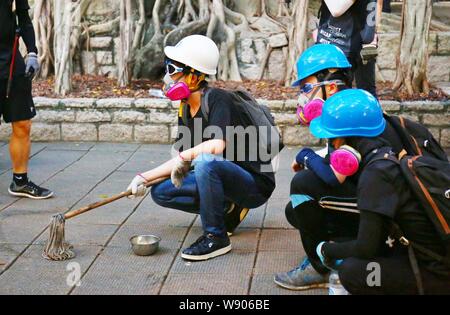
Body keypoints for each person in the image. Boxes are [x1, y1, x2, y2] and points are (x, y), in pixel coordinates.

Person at [126, 35, 276, 261]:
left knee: (206, 161)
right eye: (168, 68)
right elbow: (180, 159)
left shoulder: (218, 99)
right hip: (221, 175)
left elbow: (217, 145)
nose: (168, 76)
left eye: (174, 69)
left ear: (195, 75)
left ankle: (216, 238)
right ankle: (226, 208)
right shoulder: (185, 109)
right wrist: (143, 178)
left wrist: (185, 157)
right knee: (161, 191)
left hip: (254, 184)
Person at [274, 44, 404, 291]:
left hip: (387, 206)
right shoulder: (348, 108)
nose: (304, 97)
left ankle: (321, 265)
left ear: (330, 86)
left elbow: (336, 178)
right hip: (376, 194)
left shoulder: (350, 115)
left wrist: (306, 156)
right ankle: (345, 243)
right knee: (296, 210)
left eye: (306, 88)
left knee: (302, 186)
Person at [310, 89, 450, 294]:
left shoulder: (376, 175)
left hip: (437, 275)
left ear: (345, 138)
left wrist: (325, 249)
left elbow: (366, 247)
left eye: (332, 139)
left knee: (352, 272)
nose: (331, 146)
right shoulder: (388, 157)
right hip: (432, 257)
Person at [0, 0, 53, 199]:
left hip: (12, 65)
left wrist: (32, 52)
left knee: (23, 124)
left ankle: (20, 182)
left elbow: (23, 19)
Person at [316, 0, 379, 97]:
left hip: (342, 45)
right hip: (360, 39)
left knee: (334, 94)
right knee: (367, 92)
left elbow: (336, 10)